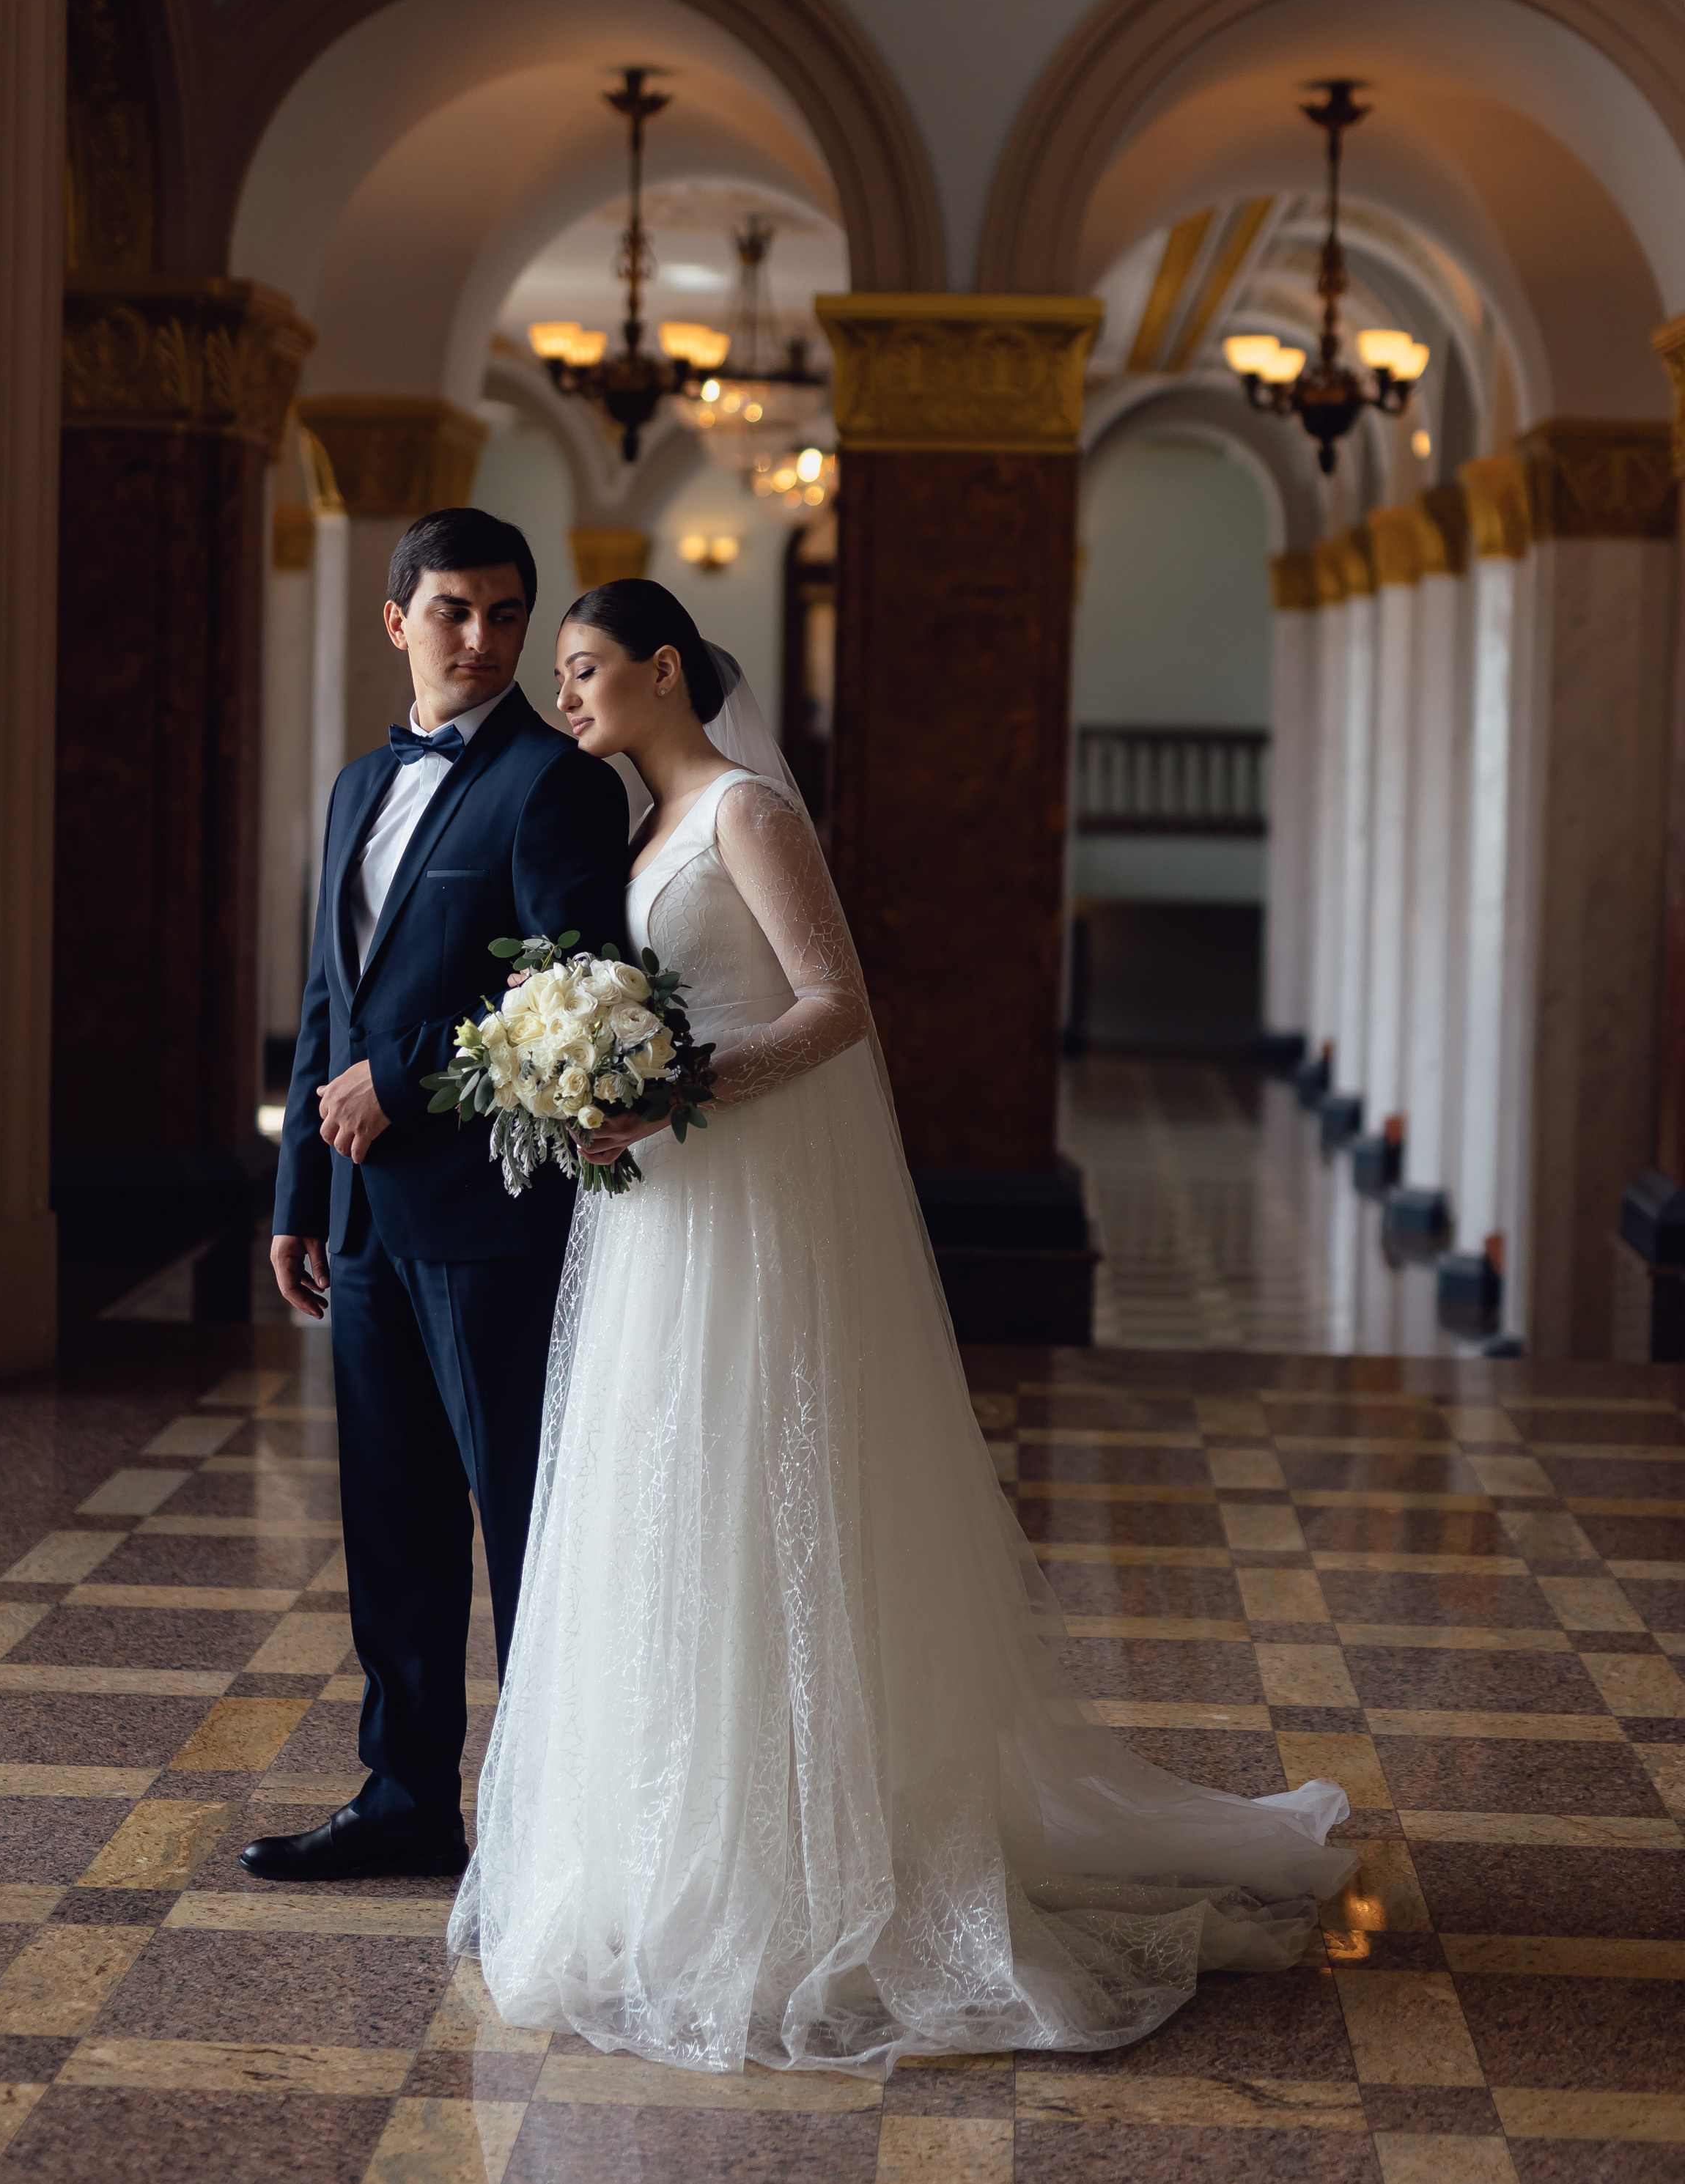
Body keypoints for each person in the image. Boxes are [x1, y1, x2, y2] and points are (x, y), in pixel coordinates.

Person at [451, 578, 1355, 2074]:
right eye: (562, 675)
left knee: (764, 1497)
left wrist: (669, 1088)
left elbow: (834, 1007)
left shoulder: (748, 809)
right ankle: (675, 1841)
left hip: (758, 1203)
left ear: (667, 670)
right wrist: (591, 1091)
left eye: (588, 666)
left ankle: (816, 1871)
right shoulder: (639, 832)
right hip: (664, 1219)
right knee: (662, 1506)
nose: (566, 697)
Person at [244, 509, 629, 1884]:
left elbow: (570, 988)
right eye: (457, 610)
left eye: (510, 614)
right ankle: (408, 1797)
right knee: (393, 1522)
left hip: (489, 1216)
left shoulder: (556, 783)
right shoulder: (358, 786)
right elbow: (323, 1000)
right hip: (358, 1217)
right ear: (396, 619)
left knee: (523, 1515)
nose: (485, 639)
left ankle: (547, 1820)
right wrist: (297, 1187)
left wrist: (400, 1082)